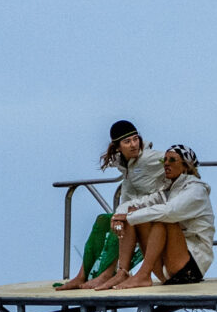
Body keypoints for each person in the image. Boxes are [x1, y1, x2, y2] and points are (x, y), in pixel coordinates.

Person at [63, 121, 164, 288]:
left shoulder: (149, 157)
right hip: (134, 208)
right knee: (102, 220)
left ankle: (109, 274)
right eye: (127, 142)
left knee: (120, 221)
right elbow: (118, 163)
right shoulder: (123, 161)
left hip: (152, 209)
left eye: (135, 139)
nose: (133, 145)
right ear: (118, 147)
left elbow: (177, 160)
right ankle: (82, 275)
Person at [106, 144, 215, 288]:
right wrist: (119, 216)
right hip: (167, 268)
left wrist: (128, 217)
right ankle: (122, 272)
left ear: (186, 166)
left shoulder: (196, 190)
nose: (166, 164)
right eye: (165, 160)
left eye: (172, 160)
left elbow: (171, 211)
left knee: (163, 220)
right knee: (135, 212)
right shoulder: (167, 191)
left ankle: (143, 275)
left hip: (191, 266)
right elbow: (136, 204)